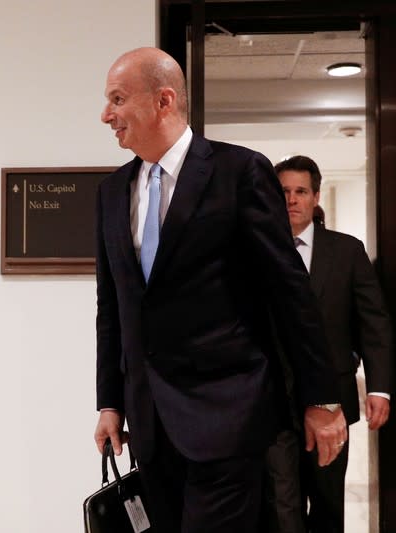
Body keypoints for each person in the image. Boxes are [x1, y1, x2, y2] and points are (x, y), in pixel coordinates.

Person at [93, 48, 347, 532]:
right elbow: (113, 307)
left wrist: (322, 398)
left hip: (228, 417)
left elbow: (289, 290)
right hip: (149, 423)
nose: (106, 115)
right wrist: (110, 402)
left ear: (164, 100)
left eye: (118, 99)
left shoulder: (240, 173)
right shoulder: (110, 193)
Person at [265, 155, 393, 533]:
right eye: (283, 191)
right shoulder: (256, 253)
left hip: (333, 402)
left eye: (300, 191)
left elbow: (374, 323)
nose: (291, 199)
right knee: (281, 506)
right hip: (272, 405)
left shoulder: (347, 251)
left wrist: (380, 387)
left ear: (315, 196)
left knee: (326, 506)